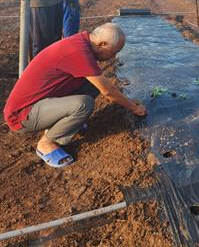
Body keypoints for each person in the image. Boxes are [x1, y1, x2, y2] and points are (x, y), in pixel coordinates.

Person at [3, 23, 147, 168]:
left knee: (93, 83)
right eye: (114, 51)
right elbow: (108, 91)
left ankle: (63, 124)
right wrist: (134, 108)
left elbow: (104, 86)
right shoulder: (78, 52)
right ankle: (47, 143)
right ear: (102, 44)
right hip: (22, 115)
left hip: (41, 102)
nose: (114, 56)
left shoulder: (83, 42)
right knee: (84, 104)